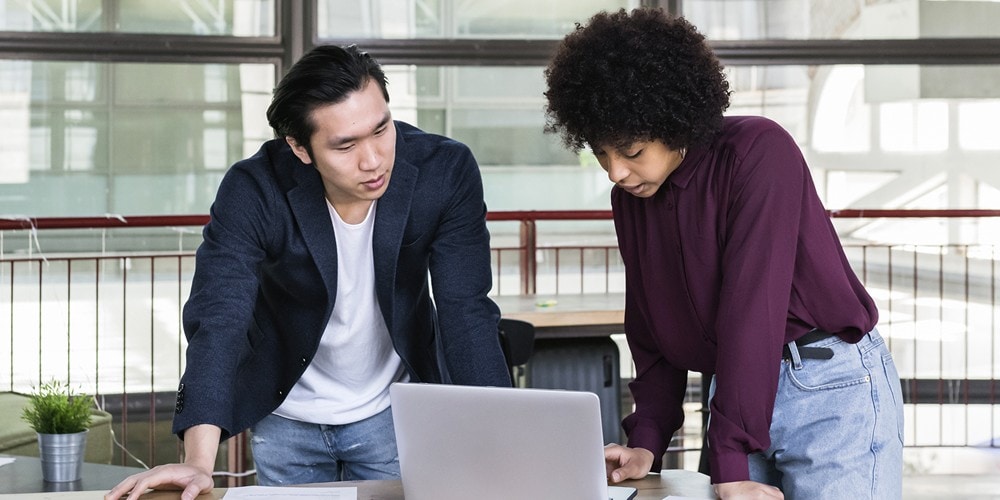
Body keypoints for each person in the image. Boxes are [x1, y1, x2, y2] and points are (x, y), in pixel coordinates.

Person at [107, 44, 511, 500]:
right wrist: (198, 463)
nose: (374, 160)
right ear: (299, 147)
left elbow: (466, 311)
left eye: (381, 130)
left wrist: (499, 440)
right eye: (345, 145)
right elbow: (220, 318)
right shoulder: (255, 188)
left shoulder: (445, 171)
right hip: (286, 413)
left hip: (391, 408)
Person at [543, 8, 903, 500]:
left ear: (672, 122)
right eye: (601, 153)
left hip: (826, 391)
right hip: (734, 395)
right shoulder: (631, 199)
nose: (615, 173)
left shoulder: (758, 151)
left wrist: (729, 457)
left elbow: (753, 309)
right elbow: (649, 322)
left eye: (630, 151)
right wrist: (647, 436)